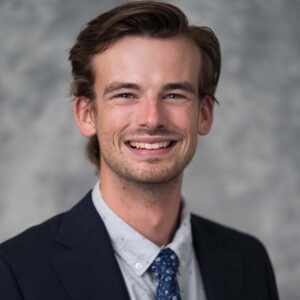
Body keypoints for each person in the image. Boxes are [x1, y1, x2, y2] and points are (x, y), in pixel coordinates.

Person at [0, 1, 279, 299]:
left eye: (173, 94)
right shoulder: (15, 272)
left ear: (205, 113)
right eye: (125, 94)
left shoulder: (248, 262)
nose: (152, 119)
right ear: (86, 114)